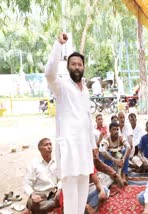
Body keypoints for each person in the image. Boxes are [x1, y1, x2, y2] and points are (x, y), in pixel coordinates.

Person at [45, 32, 96, 214]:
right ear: (67, 67)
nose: (76, 67)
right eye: (73, 64)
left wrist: (93, 144)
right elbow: (49, 72)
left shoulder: (85, 90)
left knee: (83, 193)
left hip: (84, 149)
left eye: (79, 64)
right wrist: (58, 45)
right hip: (68, 148)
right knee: (71, 195)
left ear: (83, 67)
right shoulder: (61, 86)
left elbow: (88, 119)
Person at [24, 138, 61, 213]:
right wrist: (32, 195)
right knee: (37, 205)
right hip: (39, 195)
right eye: (46, 145)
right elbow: (26, 183)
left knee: (64, 199)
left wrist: (59, 189)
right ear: (40, 149)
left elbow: (61, 178)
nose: (49, 146)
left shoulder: (57, 162)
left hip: (54, 193)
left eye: (50, 144)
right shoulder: (34, 164)